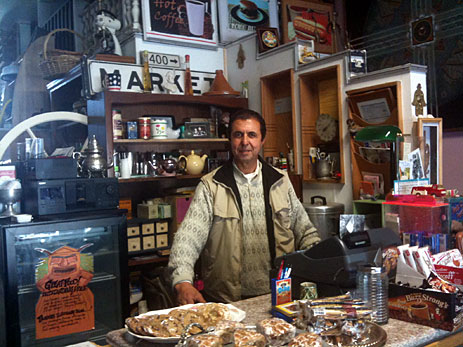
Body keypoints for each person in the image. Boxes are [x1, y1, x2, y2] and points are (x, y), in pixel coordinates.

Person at [168, 109, 321, 304]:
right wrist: (182, 280)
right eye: (238, 135)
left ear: (262, 140)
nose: (245, 142)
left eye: (252, 135)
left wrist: (321, 264)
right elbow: (188, 237)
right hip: (227, 302)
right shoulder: (211, 185)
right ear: (230, 140)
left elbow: (305, 231)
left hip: (279, 296)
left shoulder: (280, 181)